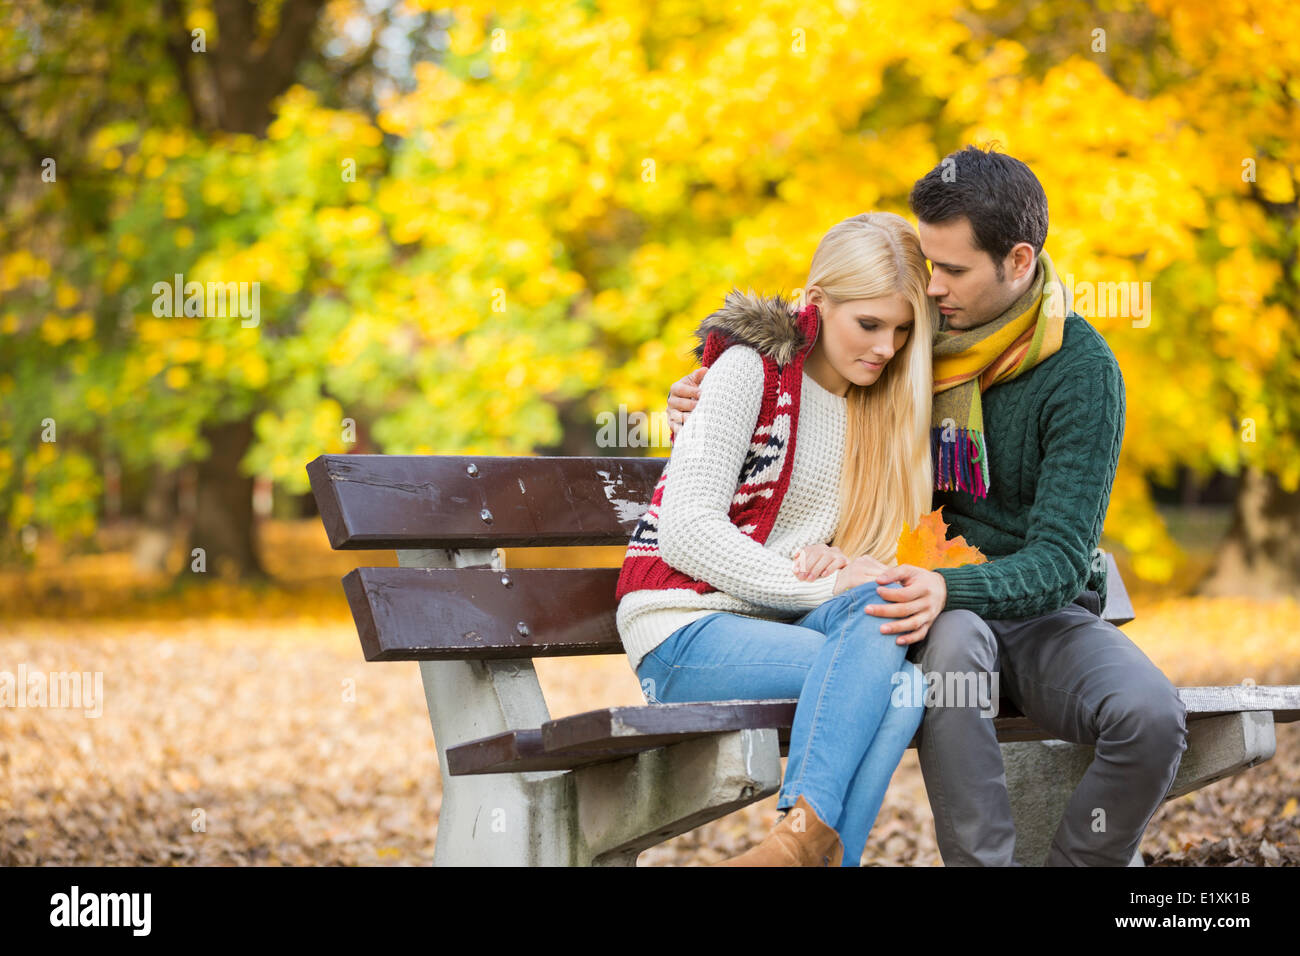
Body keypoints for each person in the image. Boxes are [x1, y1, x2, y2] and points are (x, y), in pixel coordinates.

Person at [667, 146, 1188, 867]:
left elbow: (1062, 560)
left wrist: (955, 584)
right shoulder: (908, 334)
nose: (932, 288)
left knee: (1152, 717)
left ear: (1017, 260)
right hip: (919, 601)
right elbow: (806, 328)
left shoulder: (1081, 371)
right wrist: (707, 385)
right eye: (928, 265)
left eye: (952, 271)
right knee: (955, 647)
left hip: (1035, 606)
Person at [615, 211, 939, 867]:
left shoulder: (874, 409)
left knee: (899, 671)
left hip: (785, 623)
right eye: (869, 324)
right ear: (817, 301)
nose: (885, 346)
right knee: (887, 681)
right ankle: (801, 850)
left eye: (903, 330)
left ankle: (799, 843)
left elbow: (830, 555)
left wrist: (840, 563)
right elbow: (686, 531)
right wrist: (814, 580)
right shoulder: (749, 371)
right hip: (684, 625)